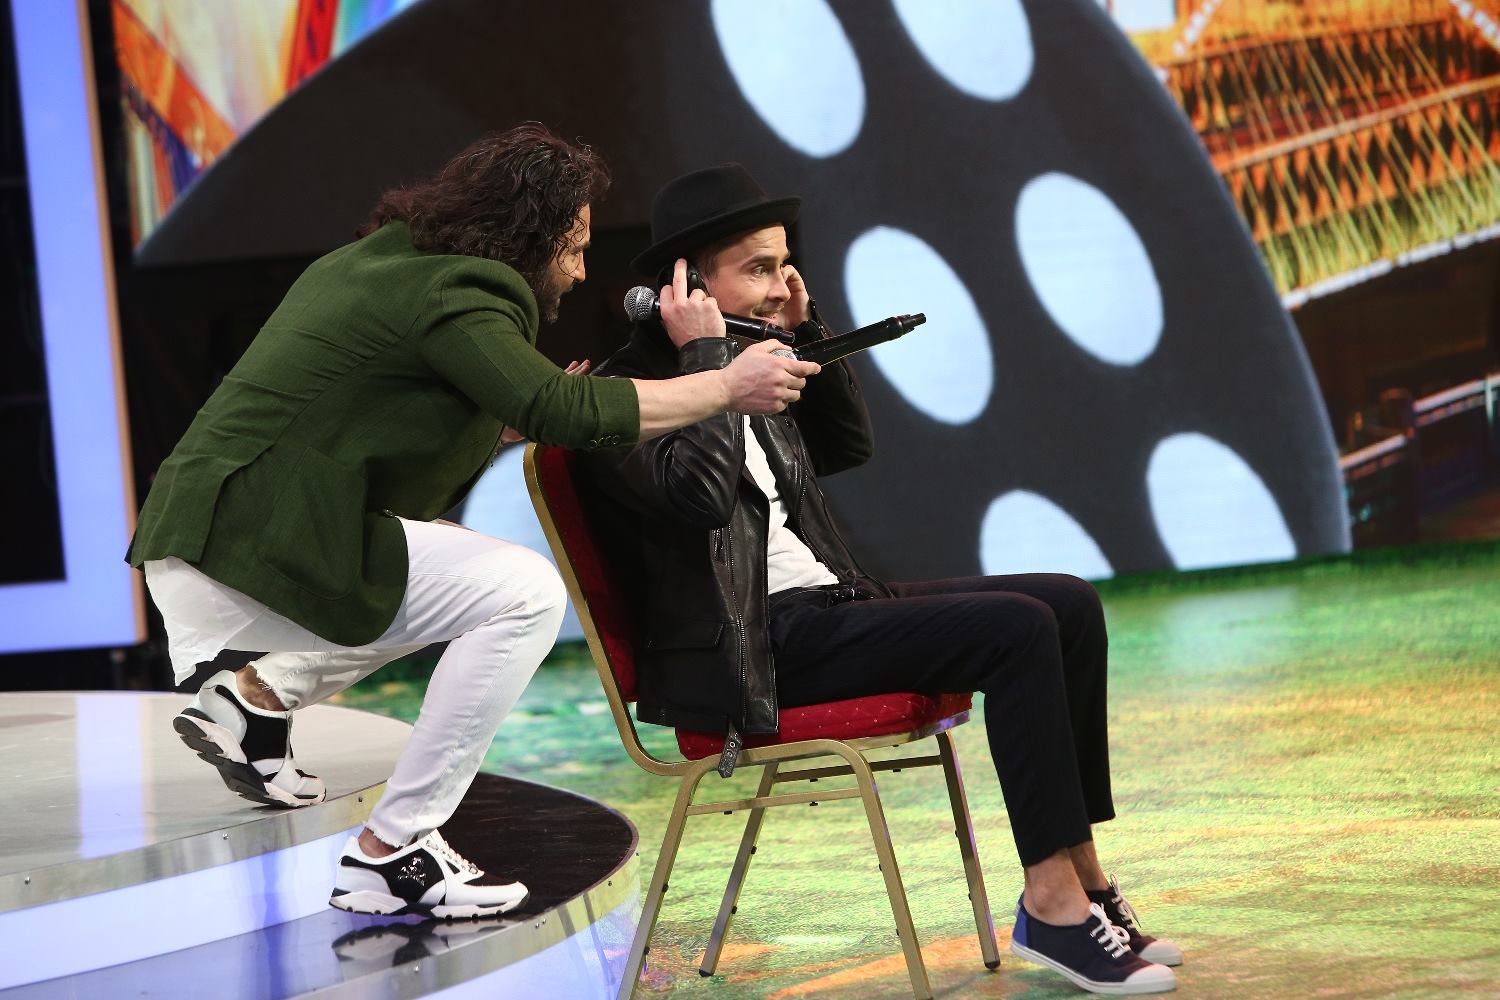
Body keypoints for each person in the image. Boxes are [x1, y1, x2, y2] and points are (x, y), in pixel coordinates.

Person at [126, 128, 818, 920]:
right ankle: (395, 848)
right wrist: (724, 385)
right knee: (522, 593)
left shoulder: (379, 263)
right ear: (531, 235)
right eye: (574, 248)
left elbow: (375, 408)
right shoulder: (464, 288)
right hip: (254, 542)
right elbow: (561, 408)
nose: (580, 271)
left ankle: (259, 700)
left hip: (209, 533)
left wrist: (511, 418)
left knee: (459, 581)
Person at [578, 164, 1182, 995]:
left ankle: (1084, 880)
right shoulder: (623, 398)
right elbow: (701, 497)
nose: (779, 285)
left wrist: (806, 328)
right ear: (687, 286)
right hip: (751, 652)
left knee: (1068, 604)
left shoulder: (756, 360)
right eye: (758, 269)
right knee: (1016, 629)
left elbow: (846, 446)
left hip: (827, 602)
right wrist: (709, 362)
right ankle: (1050, 907)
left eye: (784, 265)